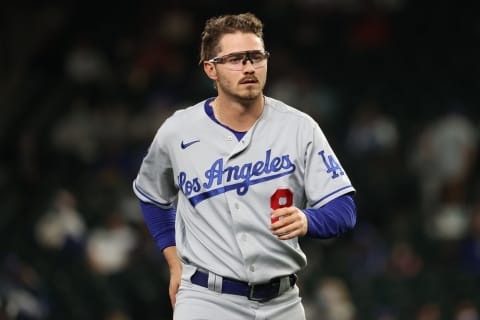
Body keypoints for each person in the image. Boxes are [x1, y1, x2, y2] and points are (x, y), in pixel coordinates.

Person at [133, 12, 356, 320]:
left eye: (256, 57)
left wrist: (307, 220)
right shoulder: (178, 131)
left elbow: (344, 210)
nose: (249, 67)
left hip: (283, 302)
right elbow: (151, 196)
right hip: (206, 300)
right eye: (236, 59)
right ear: (211, 69)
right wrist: (174, 261)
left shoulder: (299, 128)